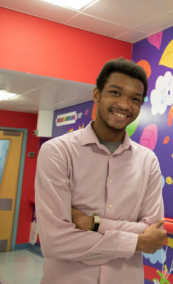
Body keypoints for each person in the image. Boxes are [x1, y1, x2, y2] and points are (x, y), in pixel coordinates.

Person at [35, 58, 166, 284]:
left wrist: (92, 223)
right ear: (97, 94)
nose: (125, 105)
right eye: (115, 93)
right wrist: (136, 241)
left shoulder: (148, 161)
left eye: (135, 99)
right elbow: (55, 242)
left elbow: (152, 230)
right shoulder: (57, 152)